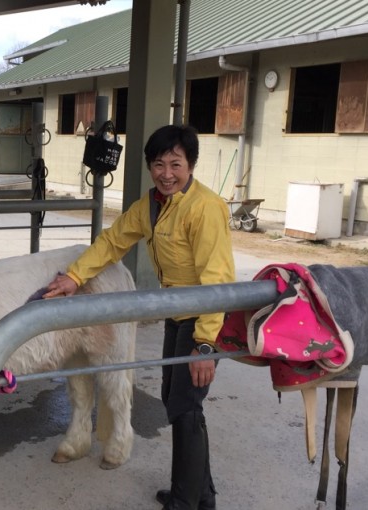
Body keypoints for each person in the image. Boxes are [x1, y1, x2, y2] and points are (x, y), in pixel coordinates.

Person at [43, 124, 235, 509]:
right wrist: (75, 276)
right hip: (173, 314)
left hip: (199, 320)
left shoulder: (205, 208)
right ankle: (202, 494)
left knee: (185, 406)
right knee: (178, 402)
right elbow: (113, 242)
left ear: (191, 165)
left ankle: (185, 500)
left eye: (176, 164)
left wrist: (204, 344)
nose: (167, 173)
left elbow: (218, 280)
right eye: (159, 164)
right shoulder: (151, 205)